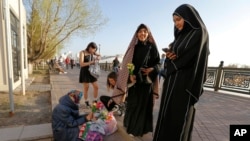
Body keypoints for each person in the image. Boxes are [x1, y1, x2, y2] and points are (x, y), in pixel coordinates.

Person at [153, 4, 209, 141]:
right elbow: (173, 60)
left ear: (188, 17)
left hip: (184, 85)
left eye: (178, 19)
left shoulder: (199, 32)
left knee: (177, 121)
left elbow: (189, 58)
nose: (176, 24)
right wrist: (169, 57)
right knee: (166, 116)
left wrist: (173, 59)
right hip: (172, 82)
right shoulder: (179, 37)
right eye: (174, 21)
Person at [111, 23, 160, 137]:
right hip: (133, 82)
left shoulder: (152, 47)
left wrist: (152, 69)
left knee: (143, 106)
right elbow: (126, 63)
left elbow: (158, 63)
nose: (142, 33)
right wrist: (130, 76)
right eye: (140, 31)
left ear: (148, 34)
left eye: (145, 31)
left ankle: (139, 130)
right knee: (133, 104)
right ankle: (130, 126)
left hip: (146, 82)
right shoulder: (133, 47)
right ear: (137, 34)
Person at [79, 42, 101, 108]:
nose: (94, 51)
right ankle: (86, 101)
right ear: (89, 47)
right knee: (86, 88)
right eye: (93, 49)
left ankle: (95, 101)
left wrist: (99, 57)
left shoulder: (93, 52)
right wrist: (92, 62)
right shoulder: (82, 52)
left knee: (96, 87)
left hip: (92, 72)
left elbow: (100, 55)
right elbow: (81, 64)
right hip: (85, 72)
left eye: (95, 50)